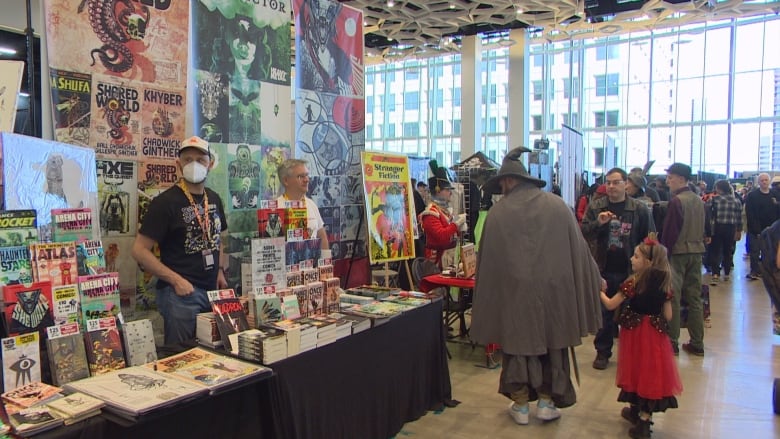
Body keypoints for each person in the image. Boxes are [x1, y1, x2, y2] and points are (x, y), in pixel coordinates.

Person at [470, 147, 602, 425]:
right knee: (553, 343)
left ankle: (520, 405)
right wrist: (595, 278)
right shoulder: (557, 206)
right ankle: (546, 401)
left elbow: (488, 262)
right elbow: (580, 251)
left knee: (518, 345)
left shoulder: (497, 213)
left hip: (515, 294)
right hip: (555, 293)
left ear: (506, 182)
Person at [131, 136, 228, 346]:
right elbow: (139, 250)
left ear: (210, 164)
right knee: (182, 357)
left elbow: (221, 236)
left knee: (213, 353)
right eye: (188, 159)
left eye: (201, 160)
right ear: (178, 164)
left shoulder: (215, 198)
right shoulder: (164, 203)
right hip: (181, 295)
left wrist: (220, 269)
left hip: (212, 291)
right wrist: (175, 280)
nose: (194, 165)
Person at [599, 236, 683, 439]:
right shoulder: (665, 283)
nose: (631, 259)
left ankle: (637, 414)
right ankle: (644, 418)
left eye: (636, 256)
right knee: (651, 372)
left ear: (648, 261)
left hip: (635, 332)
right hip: (655, 333)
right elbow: (669, 316)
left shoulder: (633, 282)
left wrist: (599, 291)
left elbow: (611, 304)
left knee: (635, 370)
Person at [581, 167, 655, 370]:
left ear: (626, 184)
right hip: (604, 267)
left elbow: (650, 237)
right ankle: (602, 352)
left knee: (633, 313)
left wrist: (646, 264)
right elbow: (584, 232)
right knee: (604, 314)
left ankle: (633, 353)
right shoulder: (596, 207)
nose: (611, 186)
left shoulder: (638, 209)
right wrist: (599, 222)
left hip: (631, 269)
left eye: (616, 182)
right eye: (609, 182)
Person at [660, 163, 706, 356]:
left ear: (680, 178)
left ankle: (672, 341)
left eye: (670, 177)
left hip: (677, 254)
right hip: (696, 252)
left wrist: (663, 254)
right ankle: (697, 342)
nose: (668, 181)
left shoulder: (677, 201)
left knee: (673, 298)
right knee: (695, 298)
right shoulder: (699, 200)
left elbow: (670, 232)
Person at [276, 159, 331, 258]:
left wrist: (327, 265)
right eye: (300, 176)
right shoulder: (275, 208)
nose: (306, 180)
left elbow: (322, 236)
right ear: (285, 181)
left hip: (312, 269)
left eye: (306, 175)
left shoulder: (311, 204)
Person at [419, 161, 466, 269]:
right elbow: (441, 237)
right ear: (438, 190)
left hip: (448, 256)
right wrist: (455, 224)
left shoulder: (443, 211)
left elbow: (451, 235)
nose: (450, 193)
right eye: (447, 190)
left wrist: (459, 229)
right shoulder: (430, 213)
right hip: (436, 260)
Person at [706, 180, 743, 284]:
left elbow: (708, 214)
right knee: (728, 251)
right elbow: (739, 218)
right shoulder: (736, 201)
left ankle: (715, 274)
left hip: (717, 227)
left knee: (715, 251)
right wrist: (739, 230)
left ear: (719, 188)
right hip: (730, 228)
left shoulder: (714, 199)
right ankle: (726, 273)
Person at [745, 173, 780, 280]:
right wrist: (756, 229)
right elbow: (750, 213)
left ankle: (767, 271)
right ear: (758, 182)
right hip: (756, 229)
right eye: (762, 180)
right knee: (755, 251)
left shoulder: (775, 195)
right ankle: (754, 271)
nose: (764, 182)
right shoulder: (752, 196)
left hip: (772, 230)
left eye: (766, 180)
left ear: (769, 181)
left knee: (769, 252)